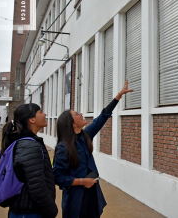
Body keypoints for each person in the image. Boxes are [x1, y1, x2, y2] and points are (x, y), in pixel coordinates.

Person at [53, 80, 133, 218]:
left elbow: (102, 118)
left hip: (92, 194)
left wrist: (119, 96)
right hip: (76, 199)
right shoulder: (63, 148)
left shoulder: (85, 135)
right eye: (77, 114)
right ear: (71, 124)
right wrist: (83, 181)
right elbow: (58, 177)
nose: (81, 114)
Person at [0, 103, 58, 218]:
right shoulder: (29, 146)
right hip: (30, 213)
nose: (45, 114)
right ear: (32, 119)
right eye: (40, 112)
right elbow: (37, 187)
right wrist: (52, 210)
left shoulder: (24, 142)